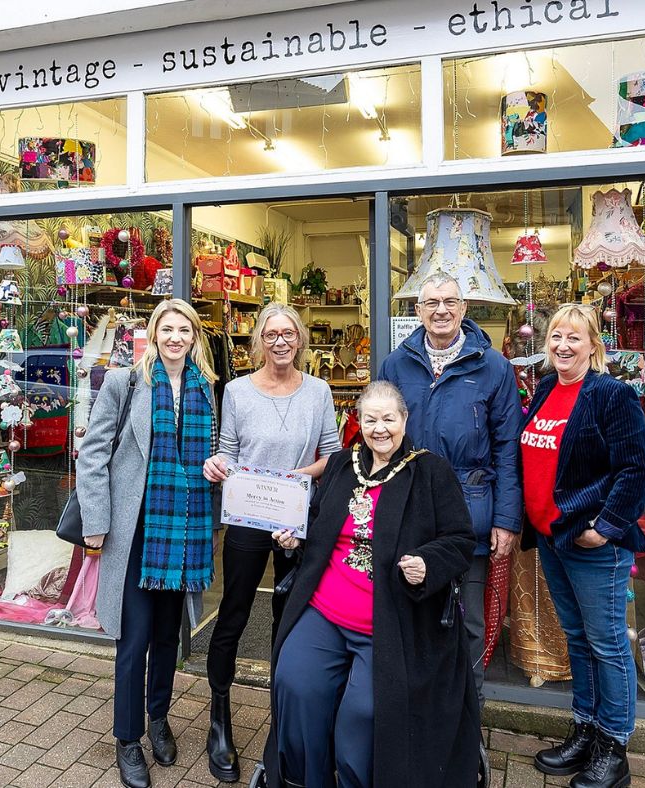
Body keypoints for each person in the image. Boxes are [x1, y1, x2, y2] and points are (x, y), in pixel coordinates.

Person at [262, 380, 479, 788]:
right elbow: (317, 520)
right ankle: (305, 780)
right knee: (294, 681)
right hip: (325, 610)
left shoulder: (431, 472)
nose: (380, 429)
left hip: (390, 621)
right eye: (370, 419)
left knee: (364, 714)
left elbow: (460, 540)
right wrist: (296, 538)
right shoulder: (342, 465)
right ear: (358, 422)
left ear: (404, 419)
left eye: (388, 419)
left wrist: (427, 563)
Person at [76, 298, 219, 788]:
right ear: (155, 333)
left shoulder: (205, 387)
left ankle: (158, 718)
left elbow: (211, 453)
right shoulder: (125, 382)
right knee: (133, 638)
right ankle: (128, 738)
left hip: (182, 530)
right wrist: (96, 521)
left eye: (185, 330)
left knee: (166, 637)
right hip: (136, 529)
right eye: (168, 329)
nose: (176, 338)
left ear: (195, 337)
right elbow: (93, 453)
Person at [202, 302, 341, 783]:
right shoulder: (237, 391)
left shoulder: (318, 390)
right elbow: (228, 451)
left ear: (299, 339)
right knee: (234, 614)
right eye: (271, 334)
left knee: (291, 618)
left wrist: (294, 479)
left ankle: (283, 720)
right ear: (258, 340)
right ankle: (219, 716)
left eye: (288, 334)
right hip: (248, 515)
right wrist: (217, 465)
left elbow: (332, 455)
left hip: (295, 517)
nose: (280, 341)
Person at [518, 304, 645, 788]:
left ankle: (614, 750)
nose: (563, 345)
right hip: (553, 539)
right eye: (556, 336)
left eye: (574, 337)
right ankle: (586, 731)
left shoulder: (611, 395)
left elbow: (636, 470)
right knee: (577, 638)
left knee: (607, 643)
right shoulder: (546, 389)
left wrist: (606, 526)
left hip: (592, 543)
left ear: (594, 345)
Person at [379, 272, 522, 707]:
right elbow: (378, 435)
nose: (440, 310)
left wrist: (506, 520)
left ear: (463, 309)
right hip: (408, 508)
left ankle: (467, 712)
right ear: (417, 311)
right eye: (431, 302)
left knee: (469, 621)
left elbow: (508, 448)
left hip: (470, 512)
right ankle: (418, 713)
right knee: (411, 613)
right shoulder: (395, 365)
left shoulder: (493, 367)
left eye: (449, 302)